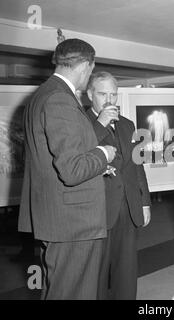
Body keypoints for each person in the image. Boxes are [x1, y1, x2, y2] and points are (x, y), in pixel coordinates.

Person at [18, 38, 117, 299]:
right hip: (73, 223)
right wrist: (103, 154)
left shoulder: (41, 95)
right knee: (75, 293)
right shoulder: (60, 100)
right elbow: (72, 170)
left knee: (59, 291)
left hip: (55, 218)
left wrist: (94, 165)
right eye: (91, 68)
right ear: (85, 65)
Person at [86, 71, 151, 300]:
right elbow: (77, 155)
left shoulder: (127, 124)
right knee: (97, 275)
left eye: (113, 94)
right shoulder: (81, 123)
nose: (109, 100)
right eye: (103, 94)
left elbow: (137, 165)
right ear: (89, 94)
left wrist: (144, 202)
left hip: (128, 207)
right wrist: (101, 123)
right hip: (97, 210)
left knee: (126, 271)